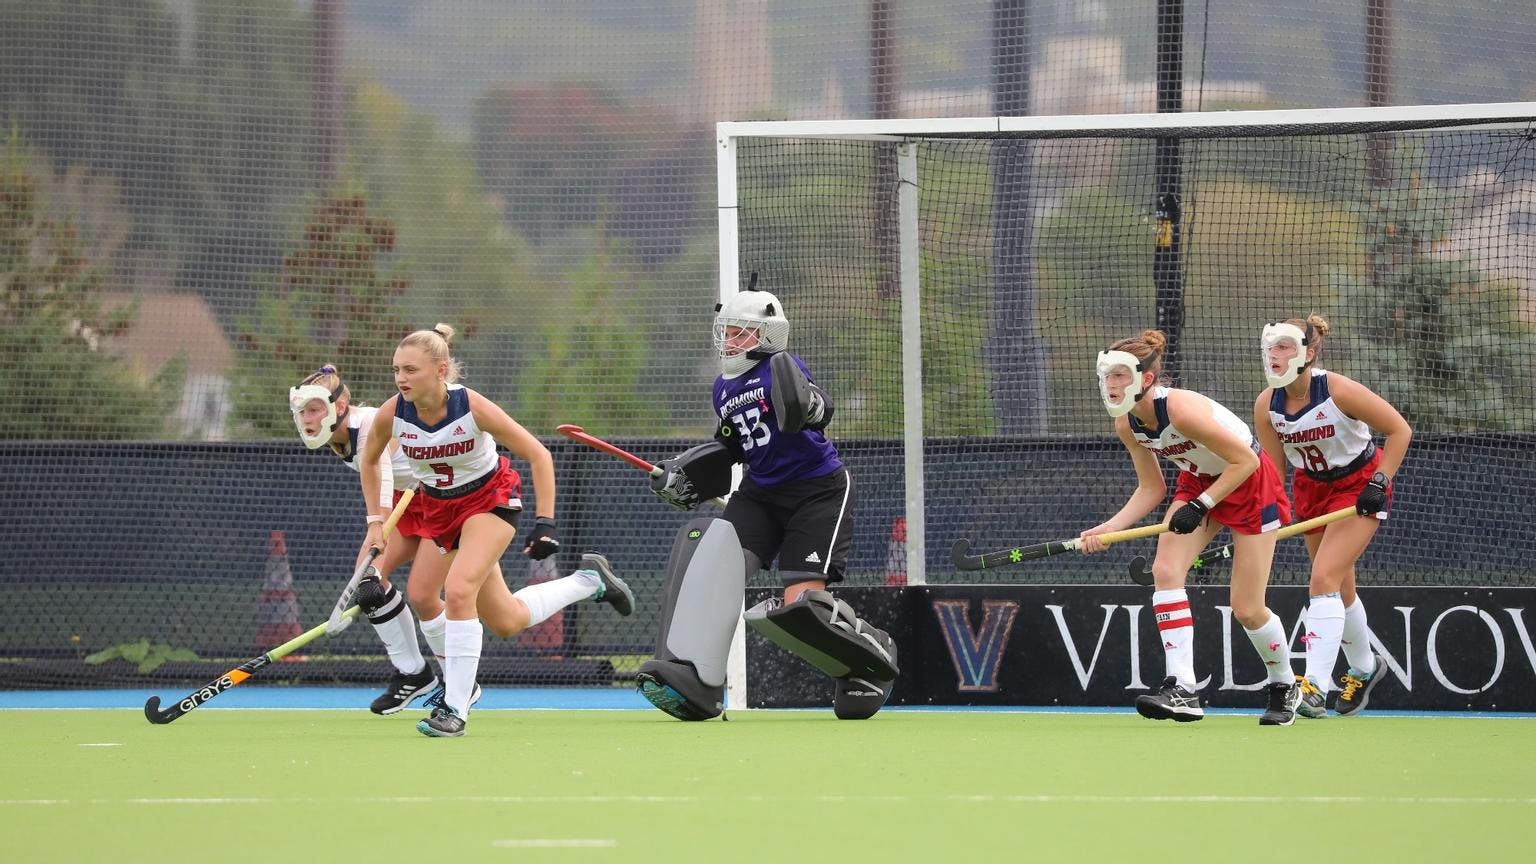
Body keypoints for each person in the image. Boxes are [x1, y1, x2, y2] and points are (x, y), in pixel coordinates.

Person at [359, 324, 635, 738]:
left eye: (411, 370)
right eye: (397, 369)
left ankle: (456, 706)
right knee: (505, 619)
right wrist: (375, 522)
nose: (401, 378)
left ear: (441, 369)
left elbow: (538, 454)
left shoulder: (472, 407)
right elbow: (370, 461)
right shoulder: (391, 414)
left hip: (490, 501)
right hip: (441, 510)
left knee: (457, 589)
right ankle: (587, 580)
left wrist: (545, 522)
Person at [637, 286, 898, 722]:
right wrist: (681, 477)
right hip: (759, 493)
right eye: (728, 332)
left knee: (803, 607)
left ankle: (869, 662)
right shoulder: (722, 388)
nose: (732, 341)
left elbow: (815, 404)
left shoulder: (782, 365)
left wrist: (813, 407)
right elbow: (731, 448)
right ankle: (697, 681)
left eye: (742, 333)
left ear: (768, 335)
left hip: (816, 491)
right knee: (716, 565)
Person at [1079, 329, 1301, 725]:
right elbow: (1152, 488)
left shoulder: (1179, 410)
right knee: (1165, 571)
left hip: (1248, 483)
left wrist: (1202, 506)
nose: (1111, 385)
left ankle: (1284, 684)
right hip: (1198, 482)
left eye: (1119, 376)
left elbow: (1246, 462)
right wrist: (1106, 529)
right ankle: (1183, 687)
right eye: (1106, 376)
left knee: (1248, 609)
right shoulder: (1128, 425)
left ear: (1145, 379)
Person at [1255, 315, 1410, 718]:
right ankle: (1365, 667)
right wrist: (1269, 518)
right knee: (1338, 586)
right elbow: (1273, 471)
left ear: (1308, 353)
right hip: (1311, 489)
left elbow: (1399, 431)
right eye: (1272, 346)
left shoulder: (1337, 390)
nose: (1275, 355)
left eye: (1285, 347)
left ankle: (1314, 689)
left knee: (1322, 578)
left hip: (1358, 484)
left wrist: (1379, 481)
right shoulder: (1266, 404)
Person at [289, 365, 440, 715]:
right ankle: (414, 674)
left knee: (502, 615)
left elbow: (383, 477)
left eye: (314, 410)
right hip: (411, 501)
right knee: (370, 584)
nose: (307, 418)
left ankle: (459, 679)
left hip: (439, 500)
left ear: (338, 407)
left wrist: (378, 528)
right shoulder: (335, 438)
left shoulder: (370, 424)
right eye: (302, 411)